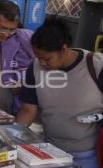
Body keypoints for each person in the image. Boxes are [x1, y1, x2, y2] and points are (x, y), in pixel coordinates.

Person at [16, 17, 103, 168]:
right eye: (38, 57)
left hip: (88, 155)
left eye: (48, 59)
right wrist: (10, 135)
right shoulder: (35, 68)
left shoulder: (96, 66)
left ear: (64, 49)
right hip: (50, 152)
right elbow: (28, 109)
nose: (42, 63)